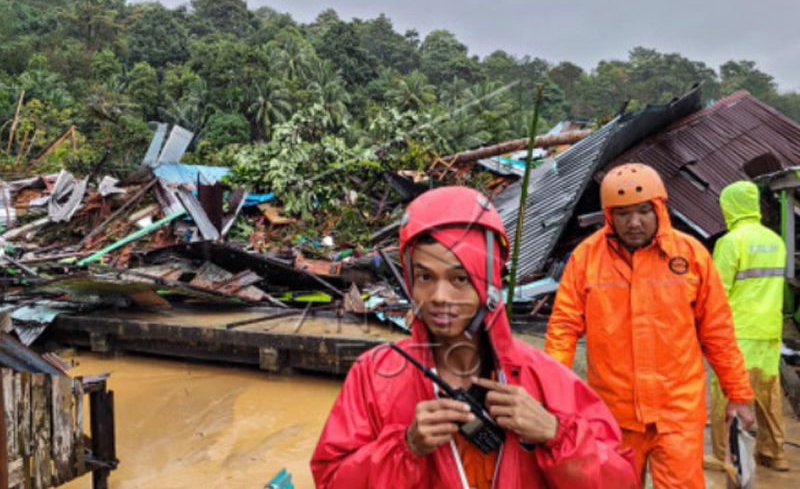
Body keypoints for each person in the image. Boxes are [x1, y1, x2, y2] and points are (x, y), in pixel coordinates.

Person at [311, 186, 637, 488]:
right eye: (425, 276)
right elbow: (330, 480)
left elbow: (621, 481)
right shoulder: (374, 374)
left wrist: (553, 433)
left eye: (460, 278)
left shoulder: (545, 378)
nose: (439, 296)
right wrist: (406, 446)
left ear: (490, 280)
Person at [544, 163, 756, 488]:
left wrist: (738, 395)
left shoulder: (691, 256)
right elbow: (563, 330)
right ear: (608, 215)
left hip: (678, 414)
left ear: (659, 207)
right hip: (613, 414)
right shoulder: (586, 258)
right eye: (623, 213)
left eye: (644, 211)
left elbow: (718, 333)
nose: (634, 223)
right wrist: (552, 396)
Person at [710, 180, 788, 470]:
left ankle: (724, 456)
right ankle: (774, 453)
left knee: (727, 394)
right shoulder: (775, 241)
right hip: (769, 330)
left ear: (729, 206)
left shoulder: (731, 242)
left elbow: (716, 293)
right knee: (769, 394)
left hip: (737, 332)